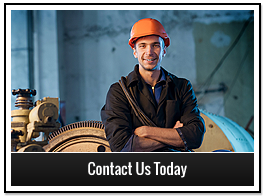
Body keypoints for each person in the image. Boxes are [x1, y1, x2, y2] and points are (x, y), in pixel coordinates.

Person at [101, 18, 205, 152]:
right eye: (142, 45)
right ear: (134, 51)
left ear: (164, 50)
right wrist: (173, 135)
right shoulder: (119, 91)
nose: (149, 52)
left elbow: (195, 136)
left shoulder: (182, 87)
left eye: (155, 45)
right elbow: (122, 146)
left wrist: (146, 131)